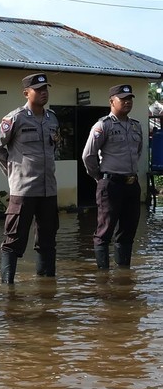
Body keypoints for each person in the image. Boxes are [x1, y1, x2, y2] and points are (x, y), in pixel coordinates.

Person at [0, 72, 60, 284]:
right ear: (26, 93)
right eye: (38, 90)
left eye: (46, 89)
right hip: (24, 191)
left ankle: (47, 287)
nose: (43, 93)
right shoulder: (15, 118)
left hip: (48, 190)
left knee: (48, 240)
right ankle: (7, 288)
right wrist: (11, 172)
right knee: (13, 240)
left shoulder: (52, 119)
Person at [82, 84, 143, 269]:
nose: (127, 102)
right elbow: (88, 155)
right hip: (111, 184)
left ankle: (124, 274)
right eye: (123, 99)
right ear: (111, 101)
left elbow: (137, 152)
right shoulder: (103, 125)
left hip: (131, 184)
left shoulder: (135, 126)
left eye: (130, 99)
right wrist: (100, 178)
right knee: (105, 230)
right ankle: (103, 275)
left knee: (128, 230)